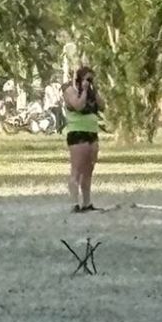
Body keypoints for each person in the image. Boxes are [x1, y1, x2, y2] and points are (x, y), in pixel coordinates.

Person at [63, 66, 104, 213]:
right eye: (87, 79)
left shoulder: (92, 93)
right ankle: (74, 203)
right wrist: (85, 91)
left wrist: (95, 90)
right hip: (77, 133)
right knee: (77, 169)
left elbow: (102, 106)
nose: (89, 82)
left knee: (89, 169)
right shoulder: (70, 90)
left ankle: (87, 202)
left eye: (91, 80)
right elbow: (78, 106)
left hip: (92, 133)